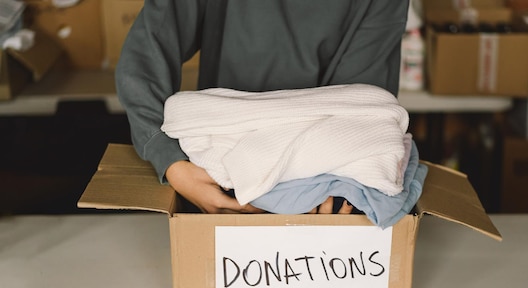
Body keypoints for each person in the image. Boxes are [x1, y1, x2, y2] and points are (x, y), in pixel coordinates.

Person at [116, 0, 409, 214]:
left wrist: (334, 182)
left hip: (321, 192)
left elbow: (362, 107)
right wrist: (171, 161)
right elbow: (146, 52)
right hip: (218, 180)